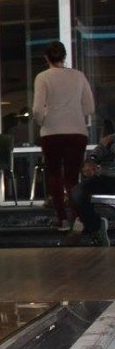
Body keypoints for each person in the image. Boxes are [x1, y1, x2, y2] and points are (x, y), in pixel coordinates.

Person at [33, 40, 95, 230]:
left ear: (46, 58)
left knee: (54, 174)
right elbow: (90, 107)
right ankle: (77, 217)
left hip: (52, 132)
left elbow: (36, 109)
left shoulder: (43, 77)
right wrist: (74, 113)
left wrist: (43, 121)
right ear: (64, 56)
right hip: (77, 131)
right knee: (72, 177)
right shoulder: (78, 76)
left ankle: (62, 219)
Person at [67, 134, 113, 247]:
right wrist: (91, 161)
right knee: (77, 193)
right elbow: (97, 151)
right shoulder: (111, 140)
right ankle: (96, 227)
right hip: (108, 178)